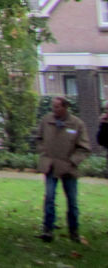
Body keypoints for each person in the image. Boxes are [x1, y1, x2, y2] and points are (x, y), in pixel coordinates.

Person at [37, 95, 92, 243]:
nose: (54, 109)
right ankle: (48, 229)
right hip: (50, 165)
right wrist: (44, 154)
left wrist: (73, 161)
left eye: (57, 107)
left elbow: (85, 148)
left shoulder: (76, 124)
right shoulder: (46, 121)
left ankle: (74, 231)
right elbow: (39, 139)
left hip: (68, 168)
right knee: (49, 197)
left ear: (65, 107)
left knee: (72, 201)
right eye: (53, 106)